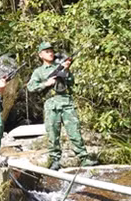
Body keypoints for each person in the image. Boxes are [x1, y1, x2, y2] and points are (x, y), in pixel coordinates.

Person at [26, 42, 97, 171]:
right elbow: (30, 87)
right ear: (41, 55)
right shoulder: (39, 72)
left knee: (74, 132)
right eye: (47, 51)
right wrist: (46, 83)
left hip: (66, 101)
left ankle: (84, 158)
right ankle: (55, 161)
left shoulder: (60, 66)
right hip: (51, 104)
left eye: (51, 51)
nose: (50, 53)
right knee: (53, 134)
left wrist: (66, 70)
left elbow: (71, 82)